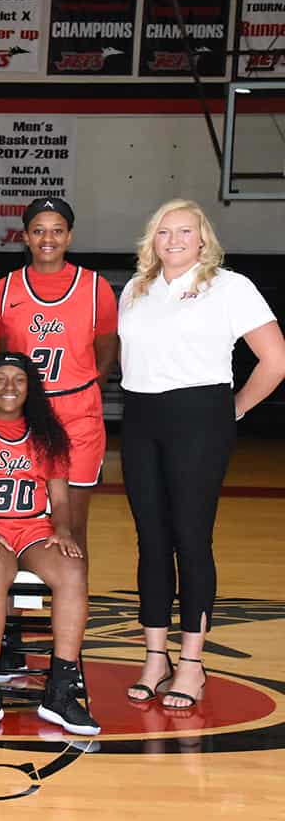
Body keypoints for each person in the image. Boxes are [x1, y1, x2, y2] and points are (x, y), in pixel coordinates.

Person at [119, 199, 285, 709]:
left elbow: (275, 361)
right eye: (164, 231)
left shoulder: (229, 286)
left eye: (184, 231)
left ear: (203, 239)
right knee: (151, 541)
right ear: (153, 239)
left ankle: (192, 661)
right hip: (141, 418)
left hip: (201, 417)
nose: (174, 240)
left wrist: (231, 411)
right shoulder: (135, 288)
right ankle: (155, 656)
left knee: (191, 539)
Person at [0, 352, 97, 735]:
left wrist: (62, 531)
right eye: (1, 379)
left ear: (31, 388)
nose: (9, 387)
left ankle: (59, 692)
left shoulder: (46, 431)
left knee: (73, 570)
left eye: (19, 380)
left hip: (31, 528)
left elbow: (60, 500)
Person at [0, 198, 118, 557]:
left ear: (69, 236)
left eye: (57, 230)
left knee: (73, 523)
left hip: (78, 413)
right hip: (25, 414)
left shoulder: (95, 288)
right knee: (20, 518)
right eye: (39, 230)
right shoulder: (5, 290)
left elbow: (108, 347)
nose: (48, 238)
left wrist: (91, 384)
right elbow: (0, 356)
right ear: (26, 237)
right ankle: (15, 606)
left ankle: (72, 609)